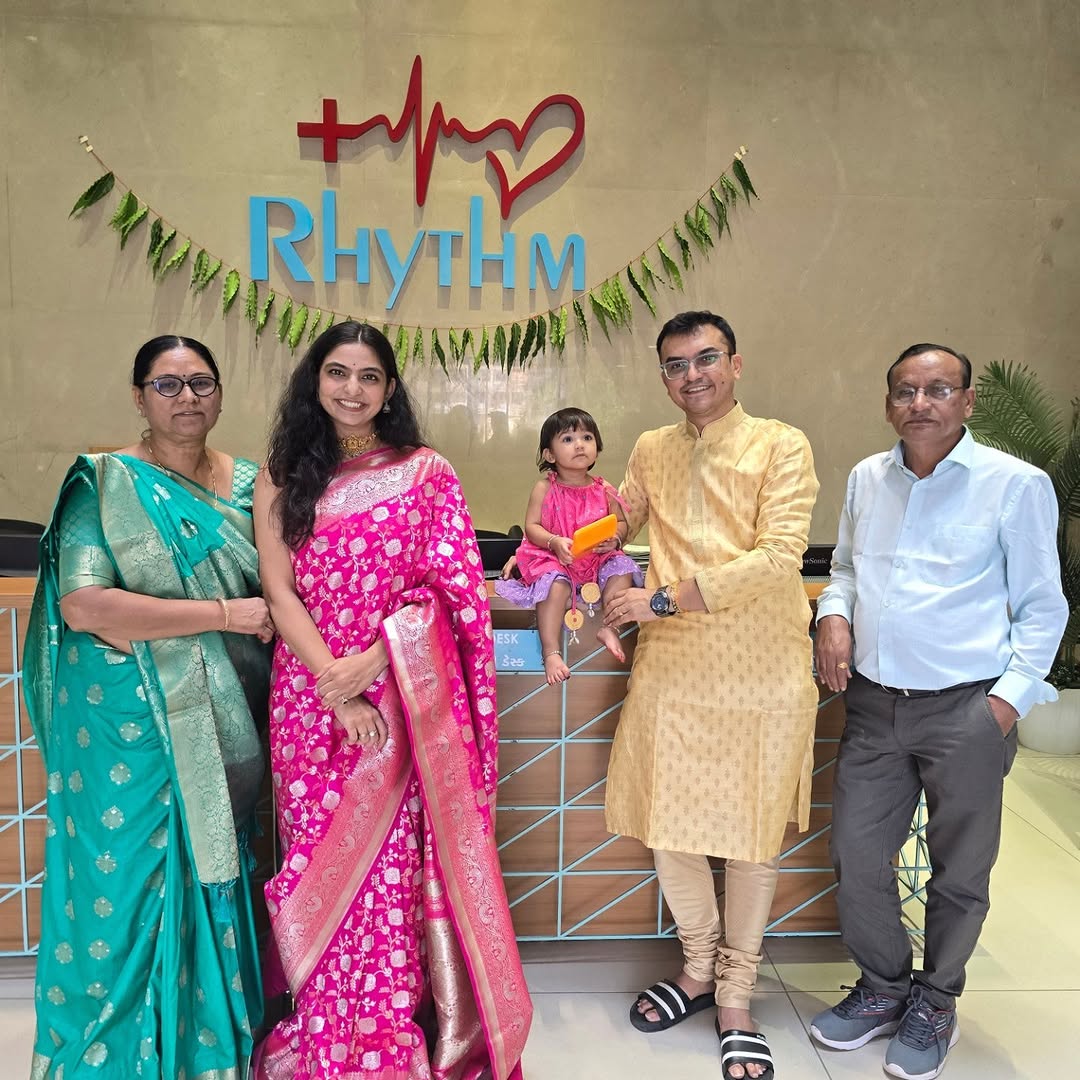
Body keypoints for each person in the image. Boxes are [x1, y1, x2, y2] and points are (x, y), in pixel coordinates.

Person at [252, 321, 531, 1080]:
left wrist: (375, 660)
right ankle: (322, 1030)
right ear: (315, 381)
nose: (352, 389)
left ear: (390, 388)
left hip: (403, 701)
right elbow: (278, 590)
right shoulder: (280, 476)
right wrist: (334, 684)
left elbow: (454, 594)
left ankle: (379, 1033)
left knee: (388, 874)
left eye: (368, 376)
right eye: (337, 373)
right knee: (317, 860)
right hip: (310, 702)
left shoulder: (425, 473)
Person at [809, 343, 1068, 1080]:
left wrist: (1005, 704)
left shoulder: (1015, 485)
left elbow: (1042, 606)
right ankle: (885, 986)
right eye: (904, 390)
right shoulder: (868, 477)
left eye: (938, 389)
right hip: (875, 704)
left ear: (967, 401)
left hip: (967, 709)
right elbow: (849, 569)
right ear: (887, 401)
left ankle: (937, 1000)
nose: (920, 402)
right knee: (856, 856)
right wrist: (833, 613)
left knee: (960, 868)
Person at [24, 335, 274, 1079]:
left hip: (230, 718)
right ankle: (114, 1049)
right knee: (124, 878)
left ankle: (211, 1042)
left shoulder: (253, 484)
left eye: (200, 383)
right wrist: (225, 616)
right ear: (138, 397)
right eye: (166, 386)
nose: (186, 398)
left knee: (222, 867)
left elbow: (291, 591)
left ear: (220, 393)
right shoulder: (103, 482)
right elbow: (84, 604)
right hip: (126, 730)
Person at [602, 311, 820, 1080]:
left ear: (735, 363)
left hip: (759, 665)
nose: (691, 375)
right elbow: (613, 523)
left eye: (705, 359)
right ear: (662, 376)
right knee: (671, 824)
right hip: (674, 671)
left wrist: (660, 600)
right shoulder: (652, 449)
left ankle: (736, 993)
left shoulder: (781, 443)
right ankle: (697, 969)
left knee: (751, 836)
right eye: (674, 364)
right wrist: (578, 557)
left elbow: (780, 555)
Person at [495, 406, 644, 684]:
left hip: (595, 559)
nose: (579, 445)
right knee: (555, 583)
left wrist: (615, 538)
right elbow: (532, 527)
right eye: (567, 439)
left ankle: (609, 626)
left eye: (587, 438)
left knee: (622, 567)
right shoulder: (544, 488)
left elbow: (621, 523)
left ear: (596, 448)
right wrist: (553, 541)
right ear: (549, 454)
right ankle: (551, 652)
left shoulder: (605, 489)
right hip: (556, 558)